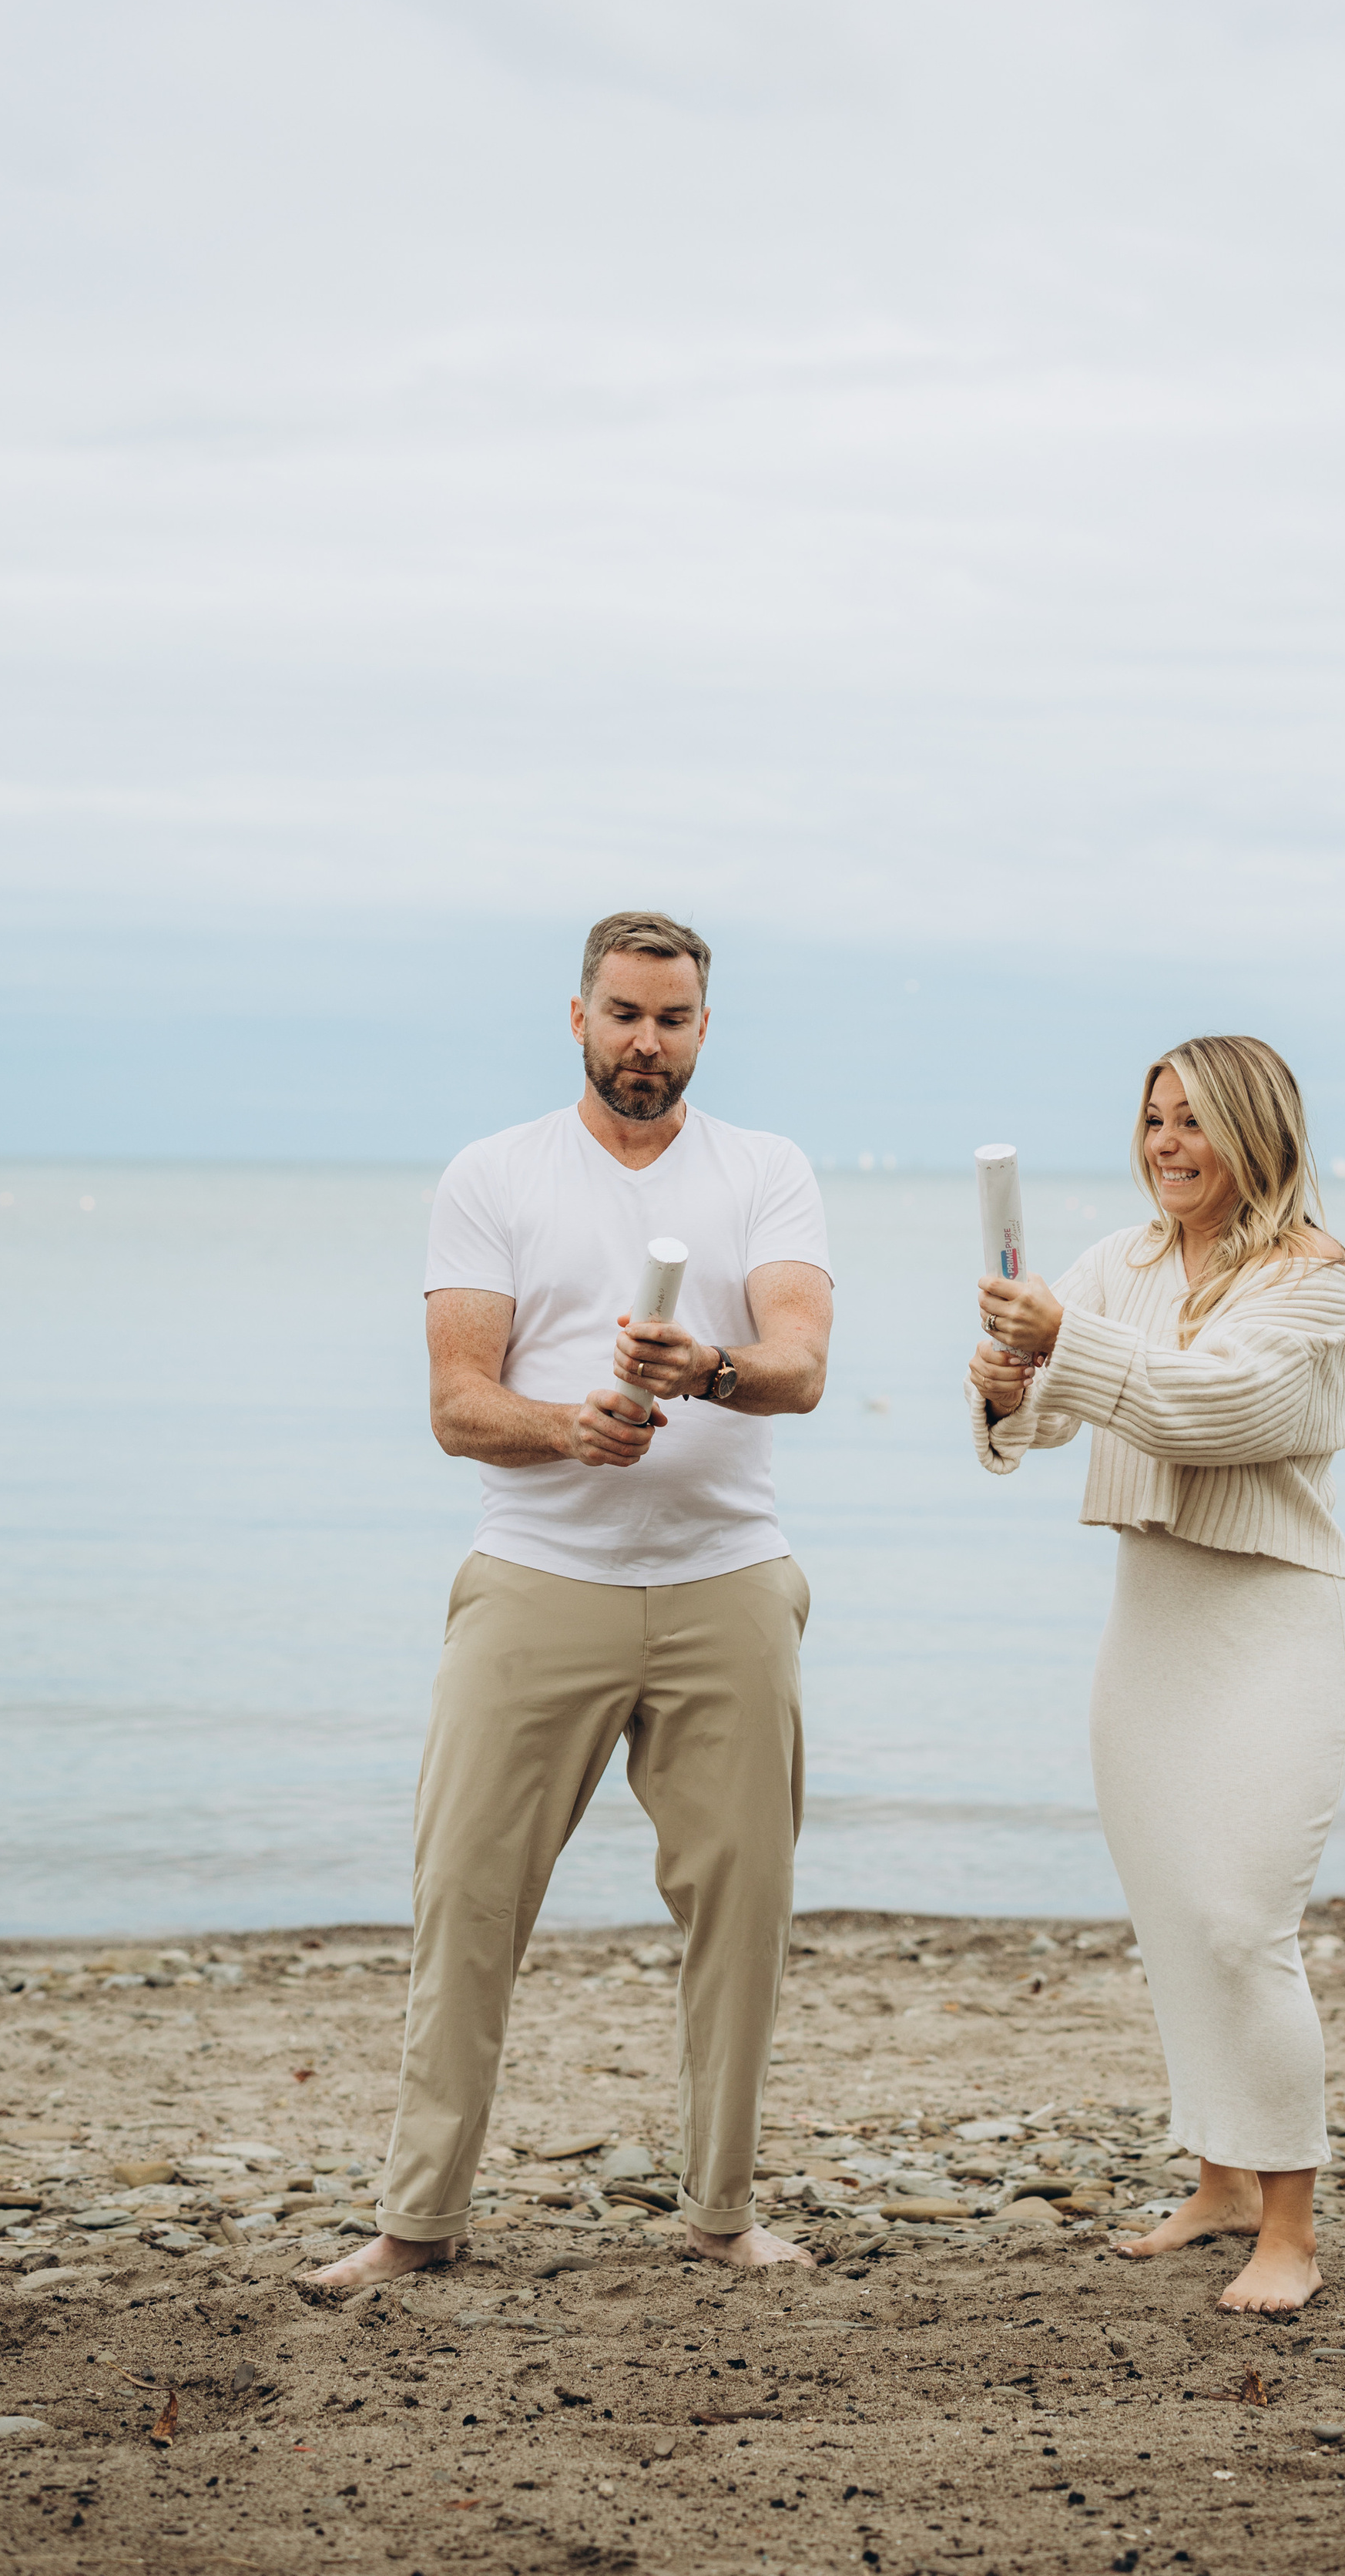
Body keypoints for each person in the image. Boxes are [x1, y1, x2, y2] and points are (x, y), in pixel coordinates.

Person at [301, 909, 833, 2296]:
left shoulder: (765, 1172)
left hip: (727, 1581)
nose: (644, 1041)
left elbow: (801, 1365)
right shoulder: (496, 1174)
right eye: (621, 1014)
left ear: (704, 1029)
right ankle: (418, 2221)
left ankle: (721, 2213)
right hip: (540, 1581)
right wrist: (568, 1428)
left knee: (743, 1908)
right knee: (466, 1899)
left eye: (671, 1019)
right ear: (580, 1017)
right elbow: (457, 1405)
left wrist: (708, 1366)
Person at [968, 1036, 1345, 2314]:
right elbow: (1037, 1421)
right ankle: (1222, 2182)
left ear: (1255, 1130)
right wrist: (1001, 1387)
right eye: (1152, 1120)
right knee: (1176, 1924)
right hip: (1151, 1623)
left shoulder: (1319, 1280)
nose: (1167, 1144)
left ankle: (1290, 2229)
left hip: (1274, 1623)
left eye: (1193, 1121)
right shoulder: (1118, 1264)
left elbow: (1222, 1409)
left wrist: (1062, 1344)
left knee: (1245, 1924)